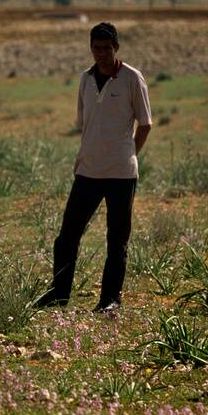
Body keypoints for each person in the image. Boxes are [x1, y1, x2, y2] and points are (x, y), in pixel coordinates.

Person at [36, 22, 151, 313]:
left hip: (121, 174)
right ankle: (59, 294)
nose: (101, 53)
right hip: (87, 170)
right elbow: (84, 122)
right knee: (67, 237)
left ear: (116, 48)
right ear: (91, 48)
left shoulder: (132, 78)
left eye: (107, 48)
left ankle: (110, 300)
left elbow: (145, 123)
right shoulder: (85, 79)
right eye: (96, 48)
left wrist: (129, 154)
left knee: (117, 240)